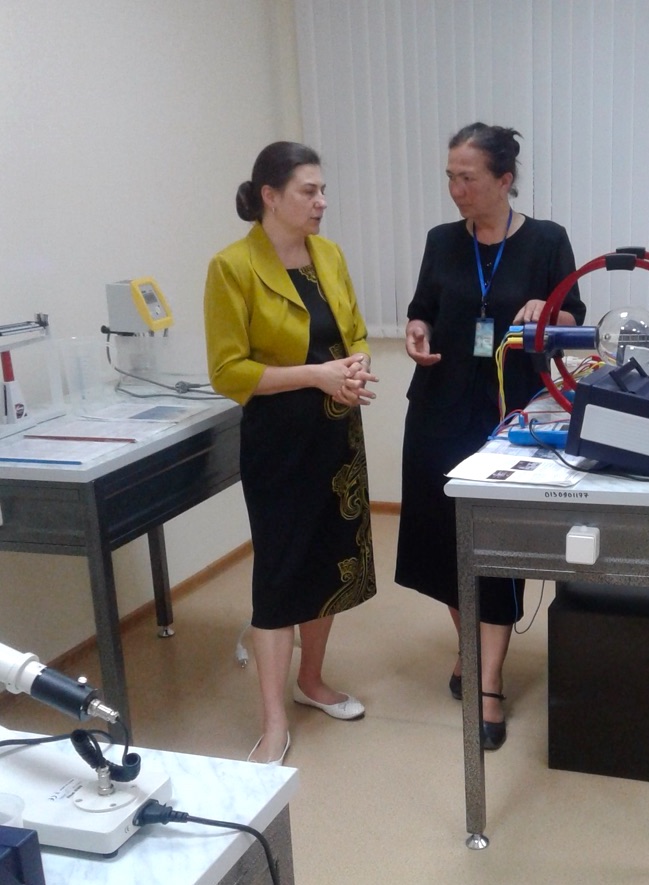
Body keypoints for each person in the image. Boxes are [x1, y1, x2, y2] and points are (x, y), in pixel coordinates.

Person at [395, 123, 586, 750]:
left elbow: (573, 320)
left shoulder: (547, 241)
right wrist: (417, 330)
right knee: (443, 540)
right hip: (439, 408)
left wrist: (546, 312)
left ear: (504, 180)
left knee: (496, 545)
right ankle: (471, 643)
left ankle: (488, 682)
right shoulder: (441, 241)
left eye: (467, 177)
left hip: (510, 413)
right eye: (450, 176)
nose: (455, 189)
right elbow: (423, 306)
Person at [204, 141, 379, 765]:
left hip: (336, 435)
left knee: (329, 562)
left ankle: (311, 682)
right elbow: (229, 371)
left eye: (323, 190)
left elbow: (351, 329)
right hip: (279, 441)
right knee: (280, 575)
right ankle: (273, 719)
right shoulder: (232, 267)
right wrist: (316, 376)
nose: (322, 202)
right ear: (270, 196)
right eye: (309, 191)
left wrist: (353, 366)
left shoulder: (327, 254)